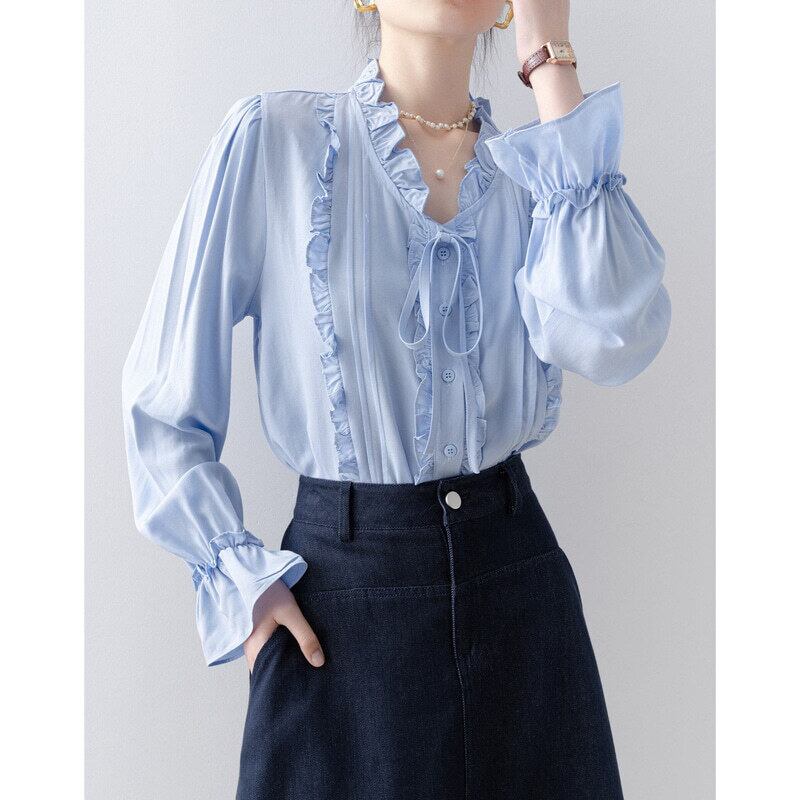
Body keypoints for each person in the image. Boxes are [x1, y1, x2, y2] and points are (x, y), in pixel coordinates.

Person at [121, 1, 670, 797]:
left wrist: (550, 55)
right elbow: (161, 402)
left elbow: (614, 338)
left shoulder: (544, 177)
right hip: (339, 613)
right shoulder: (277, 141)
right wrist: (241, 581)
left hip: (521, 601)